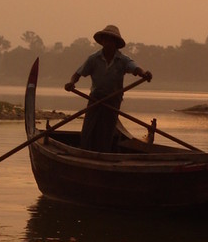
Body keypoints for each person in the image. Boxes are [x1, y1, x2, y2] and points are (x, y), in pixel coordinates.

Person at [65, 24, 152, 152]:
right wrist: (71, 83)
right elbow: (77, 74)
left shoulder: (123, 60)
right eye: (106, 40)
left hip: (113, 100)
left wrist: (144, 74)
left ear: (116, 43)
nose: (108, 43)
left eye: (111, 40)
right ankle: (85, 152)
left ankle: (103, 153)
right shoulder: (93, 59)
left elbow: (135, 68)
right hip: (95, 99)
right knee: (89, 128)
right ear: (102, 42)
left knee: (106, 131)